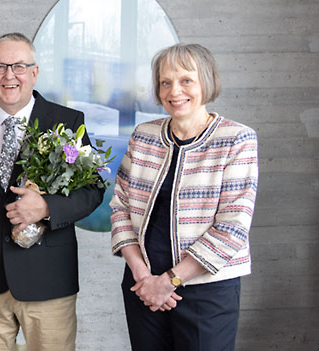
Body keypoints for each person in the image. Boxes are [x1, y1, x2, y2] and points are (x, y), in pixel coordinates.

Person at [0, 32, 104, 351]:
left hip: (48, 282)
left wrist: (46, 207)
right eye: (0, 66)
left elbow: (93, 191)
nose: (9, 75)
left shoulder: (67, 122)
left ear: (34, 72)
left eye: (18, 65)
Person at [109, 43, 258, 350]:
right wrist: (143, 276)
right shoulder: (144, 135)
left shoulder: (237, 139)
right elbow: (120, 206)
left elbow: (233, 227)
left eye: (186, 80)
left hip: (207, 289)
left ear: (207, 81)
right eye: (166, 82)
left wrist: (168, 282)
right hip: (143, 285)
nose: (174, 91)